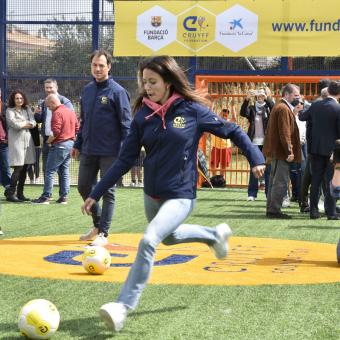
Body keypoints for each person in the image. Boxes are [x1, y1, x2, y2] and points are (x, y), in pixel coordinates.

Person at [81, 55, 266, 332]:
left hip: (181, 194)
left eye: (153, 82)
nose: (148, 87)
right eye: (144, 82)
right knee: (169, 238)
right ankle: (214, 235)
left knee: (149, 240)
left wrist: (256, 157)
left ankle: (122, 306)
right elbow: (124, 160)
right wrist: (96, 191)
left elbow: (233, 130)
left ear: (168, 82)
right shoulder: (142, 115)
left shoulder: (192, 110)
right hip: (152, 194)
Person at [72, 49, 132, 246]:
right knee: (83, 186)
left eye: (101, 65)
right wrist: (78, 143)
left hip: (111, 152)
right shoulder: (88, 90)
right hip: (88, 149)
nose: (97, 69)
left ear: (109, 67)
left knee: (108, 192)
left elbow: (126, 125)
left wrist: (125, 151)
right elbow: (84, 120)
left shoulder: (118, 92)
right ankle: (97, 225)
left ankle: (103, 234)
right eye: (94, 65)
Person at [299, 80, 340, 220]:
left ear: (328, 91)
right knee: (330, 182)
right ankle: (331, 212)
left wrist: (303, 106)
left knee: (315, 182)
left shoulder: (316, 105)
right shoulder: (338, 108)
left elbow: (302, 116)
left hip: (315, 150)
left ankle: (314, 211)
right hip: (331, 152)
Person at [263, 83, 302, 219]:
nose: (299, 98)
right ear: (287, 95)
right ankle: (274, 210)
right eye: (296, 95)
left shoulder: (280, 107)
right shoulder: (283, 109)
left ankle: (271, 209)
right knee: (280, 182)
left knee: (274, 181)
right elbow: (284, 133)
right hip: (281, 153)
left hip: (277, 152)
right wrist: (289, 152)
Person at [32, 94, 79, 204]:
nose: (49, 108)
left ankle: (46, 197)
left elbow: (56, 132)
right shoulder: (71, 112)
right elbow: (77, 128)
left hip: (60, 145)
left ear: (53, 103)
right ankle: (63, 197)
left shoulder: (57, 113)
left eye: (48, 106)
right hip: (70, 144)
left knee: (49, 171)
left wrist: (48, 142)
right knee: (64, 171)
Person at [34, 78, 74, 191]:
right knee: (46, 168)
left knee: (62, 170)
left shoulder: (65, 101)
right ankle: (51, 194)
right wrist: (36, 115)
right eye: (46, 87)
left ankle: (59, 195)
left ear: (56, 87)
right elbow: (39, 120)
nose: (48, 90)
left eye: (51, 87)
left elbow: (71, 119)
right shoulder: (43, 102)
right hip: (47, 139)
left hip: (61, 140)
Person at [240, 87, 274, 200]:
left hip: (266, 143)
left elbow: (275, 109)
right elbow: (243, 113)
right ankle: (252, 194)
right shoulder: (252, 108)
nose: (260, 96)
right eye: (258, 95)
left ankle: (268, 194)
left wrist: (268, 98)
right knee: (254, 168)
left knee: (268, 169)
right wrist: (246, 100)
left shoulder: (268, 108)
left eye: (262, 95)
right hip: (254, 143)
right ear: (256, 96)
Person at [6, 90, 36, 202]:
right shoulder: (9, 111)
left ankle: (20, 193)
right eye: (17, 98)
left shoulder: (27, 109)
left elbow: (33, 123)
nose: (19, 100)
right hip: (16, 142)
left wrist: (24, 124)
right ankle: (10, 194)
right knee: (18, 167)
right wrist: (26, 123)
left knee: (25, 168)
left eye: (21, 98)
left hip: (28, 141)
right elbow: (14, 125)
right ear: (13, 100)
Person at [209, 108, 233, 178]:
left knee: (224, 164)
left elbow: (234, 119)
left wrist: (233, 107)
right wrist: (211, 104)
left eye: (226, 114)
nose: (224, 115)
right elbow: (210, 114)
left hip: (226, 146)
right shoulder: (215, 120)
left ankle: (221, 179)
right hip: (215, 146)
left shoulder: (228, 122)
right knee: (213, 163)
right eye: (223, 113)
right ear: (219, 113)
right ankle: (214, 178)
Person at [0, 92, 11, 195]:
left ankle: (9, 189)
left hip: (3, 143)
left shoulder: (4, 107)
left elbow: (9, 124)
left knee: (5, 166)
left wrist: (8, 137)